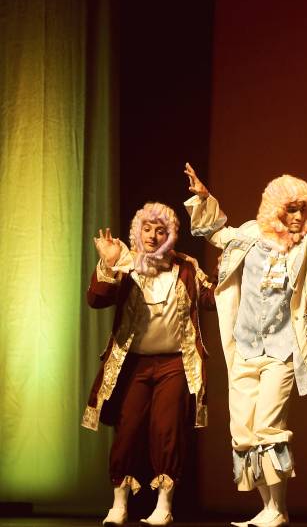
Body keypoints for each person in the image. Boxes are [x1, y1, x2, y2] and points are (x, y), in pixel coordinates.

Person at [183, 163, 307, 527]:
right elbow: (215, 232)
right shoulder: (249, 236)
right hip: (245, 349)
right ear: (275, 209)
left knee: (268, 429)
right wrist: (204, 197)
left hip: (282, 352)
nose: (298, 217)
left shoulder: (305, 246)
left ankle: (278, 508)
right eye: (291, 209)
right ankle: (268, 507)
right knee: (244, 432)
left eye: (303, 209)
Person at [83, 202, 215, 526]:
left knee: (167, 429)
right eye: (147, 229)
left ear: (171, 235)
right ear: (137, 231)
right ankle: (119, 504)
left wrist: (229, 274)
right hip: (135, 363)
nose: (153, 236)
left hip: (174, 363)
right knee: (127, 429)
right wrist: (108, 262)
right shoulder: (126, 264)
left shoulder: (185, 266)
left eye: (160, 230)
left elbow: (211, 298)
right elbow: (96, 299)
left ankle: (164, 506)